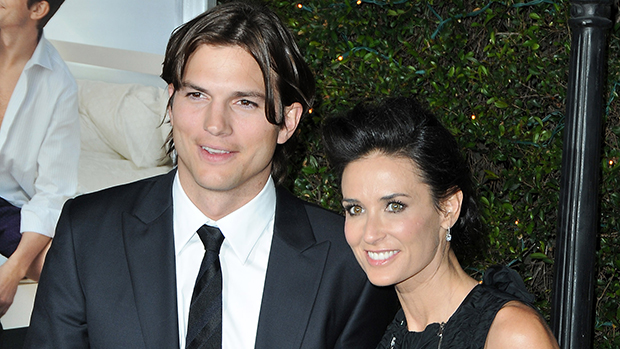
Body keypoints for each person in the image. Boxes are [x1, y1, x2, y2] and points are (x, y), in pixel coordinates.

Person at [24, 2, 398, 348]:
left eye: (244, 102)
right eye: (197, 96)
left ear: (287, 122)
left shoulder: (350, 263)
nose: (215, 125)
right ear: (171, 101)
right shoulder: (86, 235)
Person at [322, 97, 560, 348]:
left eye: (394, 206)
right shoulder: (380, 334)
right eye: (356, 209)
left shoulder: (511, 335)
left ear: (448, 208)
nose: (370, 234)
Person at [0, 0, 78, 323]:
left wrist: (12, 271)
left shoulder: (59, 86)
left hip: (9, 207)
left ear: (38, 9)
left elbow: (53, 194)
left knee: (61, 267)